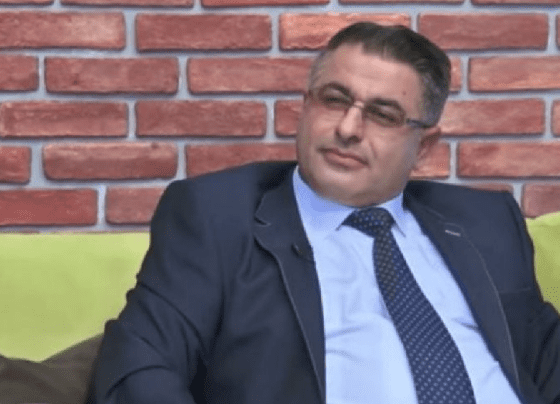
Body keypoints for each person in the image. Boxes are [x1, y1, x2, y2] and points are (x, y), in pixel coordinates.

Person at [87, 22, 560, 404]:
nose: (348, 128)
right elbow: (138, 368)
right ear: (305, 106)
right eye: (334, 99)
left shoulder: (486, 221)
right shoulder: (215, 216)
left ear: (423, 147)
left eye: (383, 114)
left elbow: (546, 358)